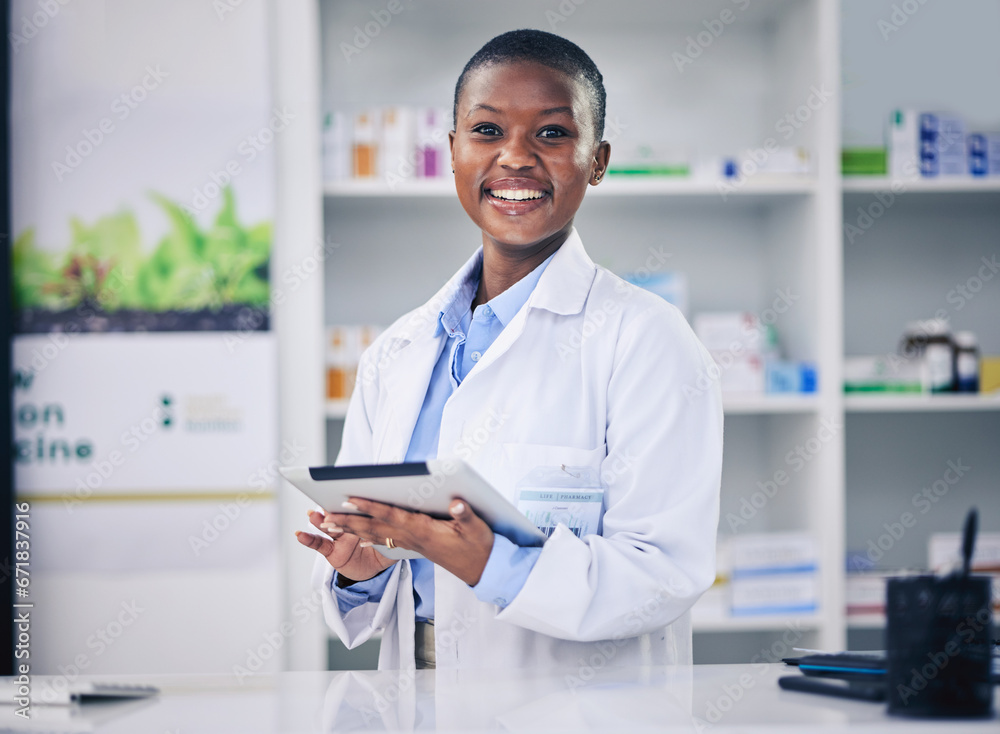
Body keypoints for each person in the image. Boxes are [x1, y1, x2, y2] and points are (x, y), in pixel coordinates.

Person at [296, 29, 723, 671]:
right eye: (487, 131)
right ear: (453, 152)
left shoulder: (646, 339)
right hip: (416, 697)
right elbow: (380, 572)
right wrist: (364, 570)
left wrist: (495, 564)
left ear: (598, 160)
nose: (515, 158)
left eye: (551, 133)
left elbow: (665, 573)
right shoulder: (399, 350)